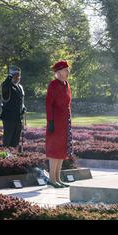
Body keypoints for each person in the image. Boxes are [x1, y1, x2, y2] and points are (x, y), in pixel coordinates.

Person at [45, 60, 72, 188]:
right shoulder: (53, 85)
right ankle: (52, 179)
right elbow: (49, 104)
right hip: (55, 122)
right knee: (54, 151)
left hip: (65, 122)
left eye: (67, 69)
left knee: (61, 151)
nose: (68, 71)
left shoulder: (66, 84)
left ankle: (58, 178)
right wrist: (50, 121)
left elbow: (68, 104)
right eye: (66, 69)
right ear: (59, 72)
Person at [0, 66, 26, 148]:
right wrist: (9, 76)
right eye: (15, 75)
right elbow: (5, 86)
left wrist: (23, 108)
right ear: (11, 76)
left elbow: (21, 101)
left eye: (18, 75)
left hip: (18, 118)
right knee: (8, 139)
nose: (17, 77)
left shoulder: (20, 87)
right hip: (9, 118)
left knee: (16, 140)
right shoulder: (7, 86)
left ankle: (13, 157)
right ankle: (6, 157)